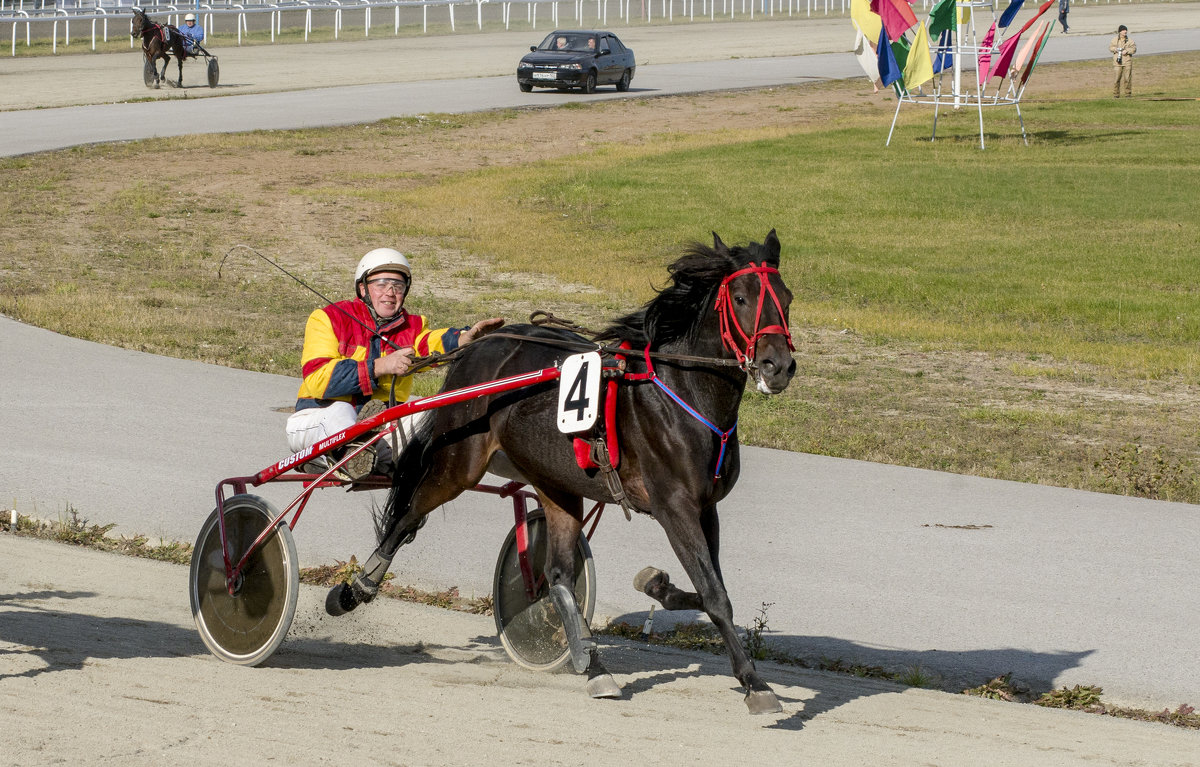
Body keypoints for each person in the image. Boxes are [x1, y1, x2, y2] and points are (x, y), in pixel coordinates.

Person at [286, 247, 503, 479]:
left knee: (435, 415)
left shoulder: (413, 327)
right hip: (316, 421)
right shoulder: (328, 318)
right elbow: (319, 379)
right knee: (340, 411)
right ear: (363, 288)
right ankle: (343, 457)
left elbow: (430, 343)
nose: (390, 292)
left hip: (378, 428)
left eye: (398, 286)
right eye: (381, 284)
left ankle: (371, 457)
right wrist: (380, 366)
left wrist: (462, 339)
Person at [1110, 25, 1136, 98]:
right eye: (1124, 30)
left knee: (1127, 79)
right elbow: (1110, 48)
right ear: (1120, 31)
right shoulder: (1114, 40)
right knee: (1116, 79)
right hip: (1117, 63)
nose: (1125, 31)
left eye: (1126, 30)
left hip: (1127, 62)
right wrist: (1116, 49)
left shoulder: (1130, 40)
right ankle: (1116, 94)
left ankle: (1128, 94)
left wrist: (1127, 51)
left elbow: (1134, 49)